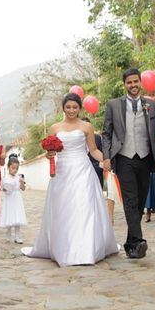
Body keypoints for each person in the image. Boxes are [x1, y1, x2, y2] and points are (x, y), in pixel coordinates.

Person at [23, 93, 118, 266]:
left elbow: (93, 150)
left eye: (75, 107)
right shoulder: (54, 128)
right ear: (63, 108)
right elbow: (49, 154)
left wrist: (105, 160)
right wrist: (49, 154)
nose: (72, 110)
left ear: (80, 108)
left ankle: (87, 249)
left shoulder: (87, 126)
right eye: (68, 107)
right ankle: (64, 247)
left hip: (83, 170)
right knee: (64, 209)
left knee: (84, 207)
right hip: (62, 172)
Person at [101, 68, 155, 259]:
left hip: (145, 157)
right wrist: (106, 157)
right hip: (124, 156)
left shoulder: (151, 105)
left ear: (140, 82)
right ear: (125, 84)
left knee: (139, 200)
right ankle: (138, 241)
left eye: (136, 81)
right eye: (129, 82)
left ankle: (130, 245)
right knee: (130, 199)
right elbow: (106, 133)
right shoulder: (113, 105)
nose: (133, 85)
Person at [0, 154, 27, 243]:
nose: (14, 170)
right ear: (8, 167)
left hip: (17, 198)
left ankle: (17, 236)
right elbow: (2, 188)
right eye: (13, 168)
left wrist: (22, 183)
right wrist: (5, 188)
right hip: (9, 198)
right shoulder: (5, 178)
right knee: (10, 215)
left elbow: (23, 188)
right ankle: (8, 233)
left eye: (16, 169)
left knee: (18, 215)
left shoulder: (19, 177)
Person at [83, 118, 104, 188]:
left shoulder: (97, 137)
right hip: (81, 167)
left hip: (96, 166)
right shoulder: (76, 138)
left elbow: (100, 151)